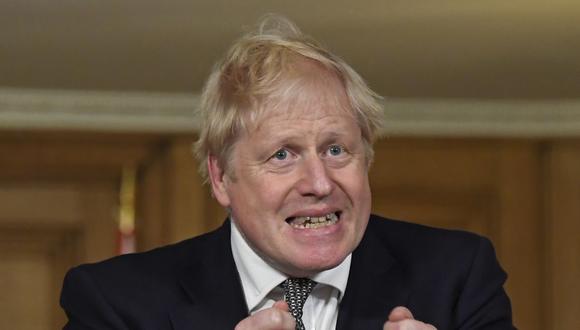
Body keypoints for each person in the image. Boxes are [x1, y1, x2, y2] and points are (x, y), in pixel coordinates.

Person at [60, 16, 514, 330]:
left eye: (336, 149)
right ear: (221, 178)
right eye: (282, 155)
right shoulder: (116, 303)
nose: (319, 183)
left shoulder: (457, 277)